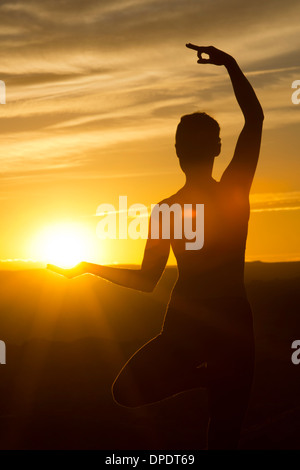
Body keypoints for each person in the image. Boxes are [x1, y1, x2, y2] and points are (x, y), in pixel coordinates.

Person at [48, 45, 264, 449]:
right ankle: (208, 373)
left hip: (185, 328)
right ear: (217, 149)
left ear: (178, 152)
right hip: (234, 325)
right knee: (225, 431)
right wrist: (230, 65)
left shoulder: (166, 211)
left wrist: (88, 267)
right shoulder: (234, 192)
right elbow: (255, 119)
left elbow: (147, 280)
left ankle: (202, 373)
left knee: (125, 392)